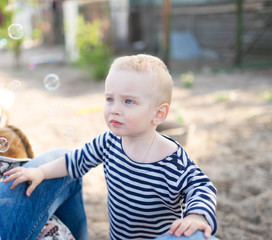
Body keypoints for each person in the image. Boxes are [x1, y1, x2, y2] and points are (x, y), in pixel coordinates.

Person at [3, 54, 217, 240]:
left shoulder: (172, 158)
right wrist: (40, 171)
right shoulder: (109, 142)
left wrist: (196, 215)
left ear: (158, 114)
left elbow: (201, 186)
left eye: (128, 102)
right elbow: (74, 161)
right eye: (109, 99)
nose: (114, 109)